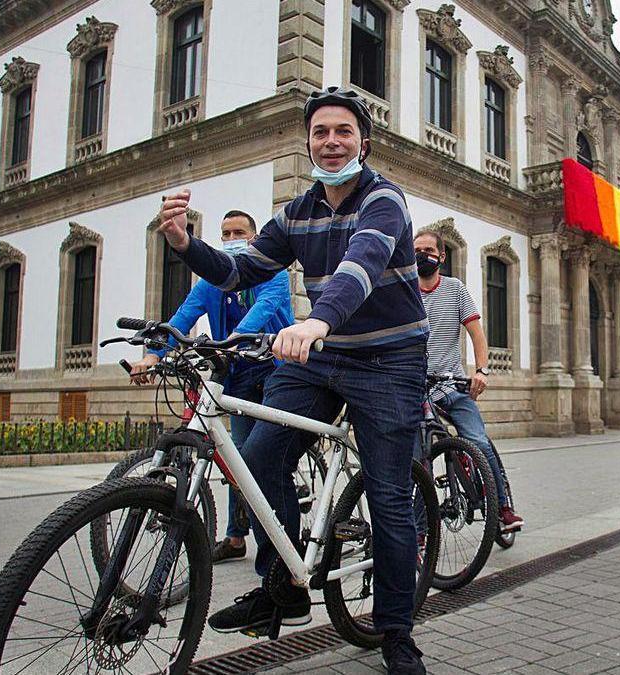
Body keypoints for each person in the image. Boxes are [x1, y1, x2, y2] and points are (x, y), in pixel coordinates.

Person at [157, 86, 429, 673]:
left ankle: (397, 633)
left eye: (343, 132)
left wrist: (318, 320)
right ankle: (285, 585)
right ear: (308, 142)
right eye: (320, 133)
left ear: (364, 140)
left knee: (387, 499)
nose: (331, 142)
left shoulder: (386, 201)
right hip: (324, 356)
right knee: (256, 460)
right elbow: (238, 270)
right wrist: (185, 244)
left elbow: (360, 264)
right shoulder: (297, 212)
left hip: (388, 360)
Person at [131, 210, 293, 565]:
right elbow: (180, 319)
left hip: (274, 372)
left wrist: (228, 343)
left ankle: (279, 544)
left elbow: (259, 316)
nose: (231, 237)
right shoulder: (209, 283)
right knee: (237, 454)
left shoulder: (275, 276)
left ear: (253, 239)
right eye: (225, 232)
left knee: (257, 457)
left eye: (239, 232)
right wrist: (153, 357)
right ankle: (236, 537)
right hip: (235, 372)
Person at [413, 230, 524, 532]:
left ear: (442, 256)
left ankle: (503, 508)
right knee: (416, 460)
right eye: (417, 250)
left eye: (428, 250)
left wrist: (481, 371)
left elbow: (477, 334)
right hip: (415, 390)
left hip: (451, 385)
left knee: (478, 441)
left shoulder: (455, 289)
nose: (422, 255)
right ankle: (420, 534)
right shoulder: (405, 290)